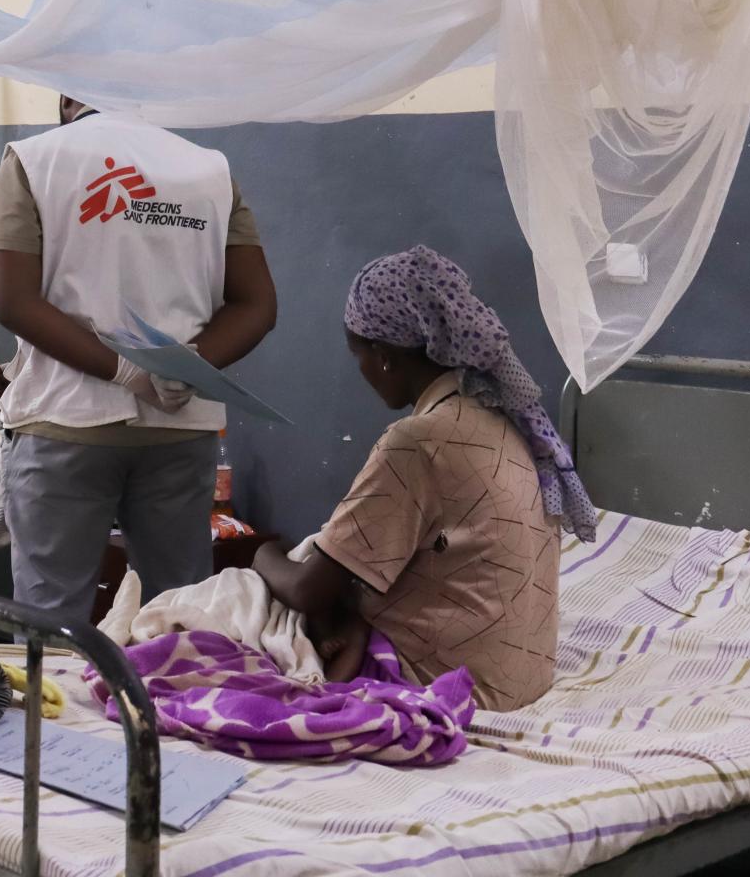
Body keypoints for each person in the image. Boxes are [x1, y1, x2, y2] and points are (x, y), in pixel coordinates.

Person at [252, 246, 597, 712]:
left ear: (384, 354)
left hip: (455, 685)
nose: (363, 372)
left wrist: (260, 553)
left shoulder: (418, 441)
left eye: (360, 356)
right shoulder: (503, 420)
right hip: (520, 678)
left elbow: (308, 588)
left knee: (240, 598)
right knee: (336, 576)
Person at [0, 94, 277, 622]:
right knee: (178, 613)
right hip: (180, 428)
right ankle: (167, 705)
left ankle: (61, 705)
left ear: (69, 96)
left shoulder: (33, 159)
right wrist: (188, 365)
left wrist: (127, 372)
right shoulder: (208, 169)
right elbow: (257, 304)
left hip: (66, 423)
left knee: (52, 623)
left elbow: (13, 301)